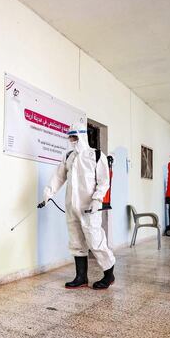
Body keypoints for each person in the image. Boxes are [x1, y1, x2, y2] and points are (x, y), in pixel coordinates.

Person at [38, 122, 115, 289]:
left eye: (75, 136)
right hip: (72, 207)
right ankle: (81, 277)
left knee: (95, 241)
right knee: (76, 242)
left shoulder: (96, 155)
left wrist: (97, 199)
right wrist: (48, 194)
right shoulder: (69, 157)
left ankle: (109, 274)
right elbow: (58, 178)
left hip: (89, 207)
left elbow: (104, 181)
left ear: (82, 136)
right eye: (70, 137)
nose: (72, 140)